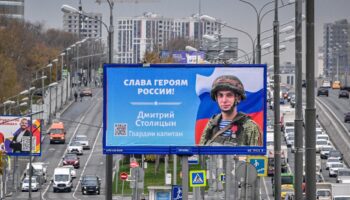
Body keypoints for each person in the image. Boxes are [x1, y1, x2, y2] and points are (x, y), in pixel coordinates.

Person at [199, 75, 262, 146]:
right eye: (220, 95)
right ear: (216, 98)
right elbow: (202, 152)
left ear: (237, 98)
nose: (224, 100)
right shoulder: (211, 124)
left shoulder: (249, 126)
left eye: (229, 95)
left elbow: (255, 155)